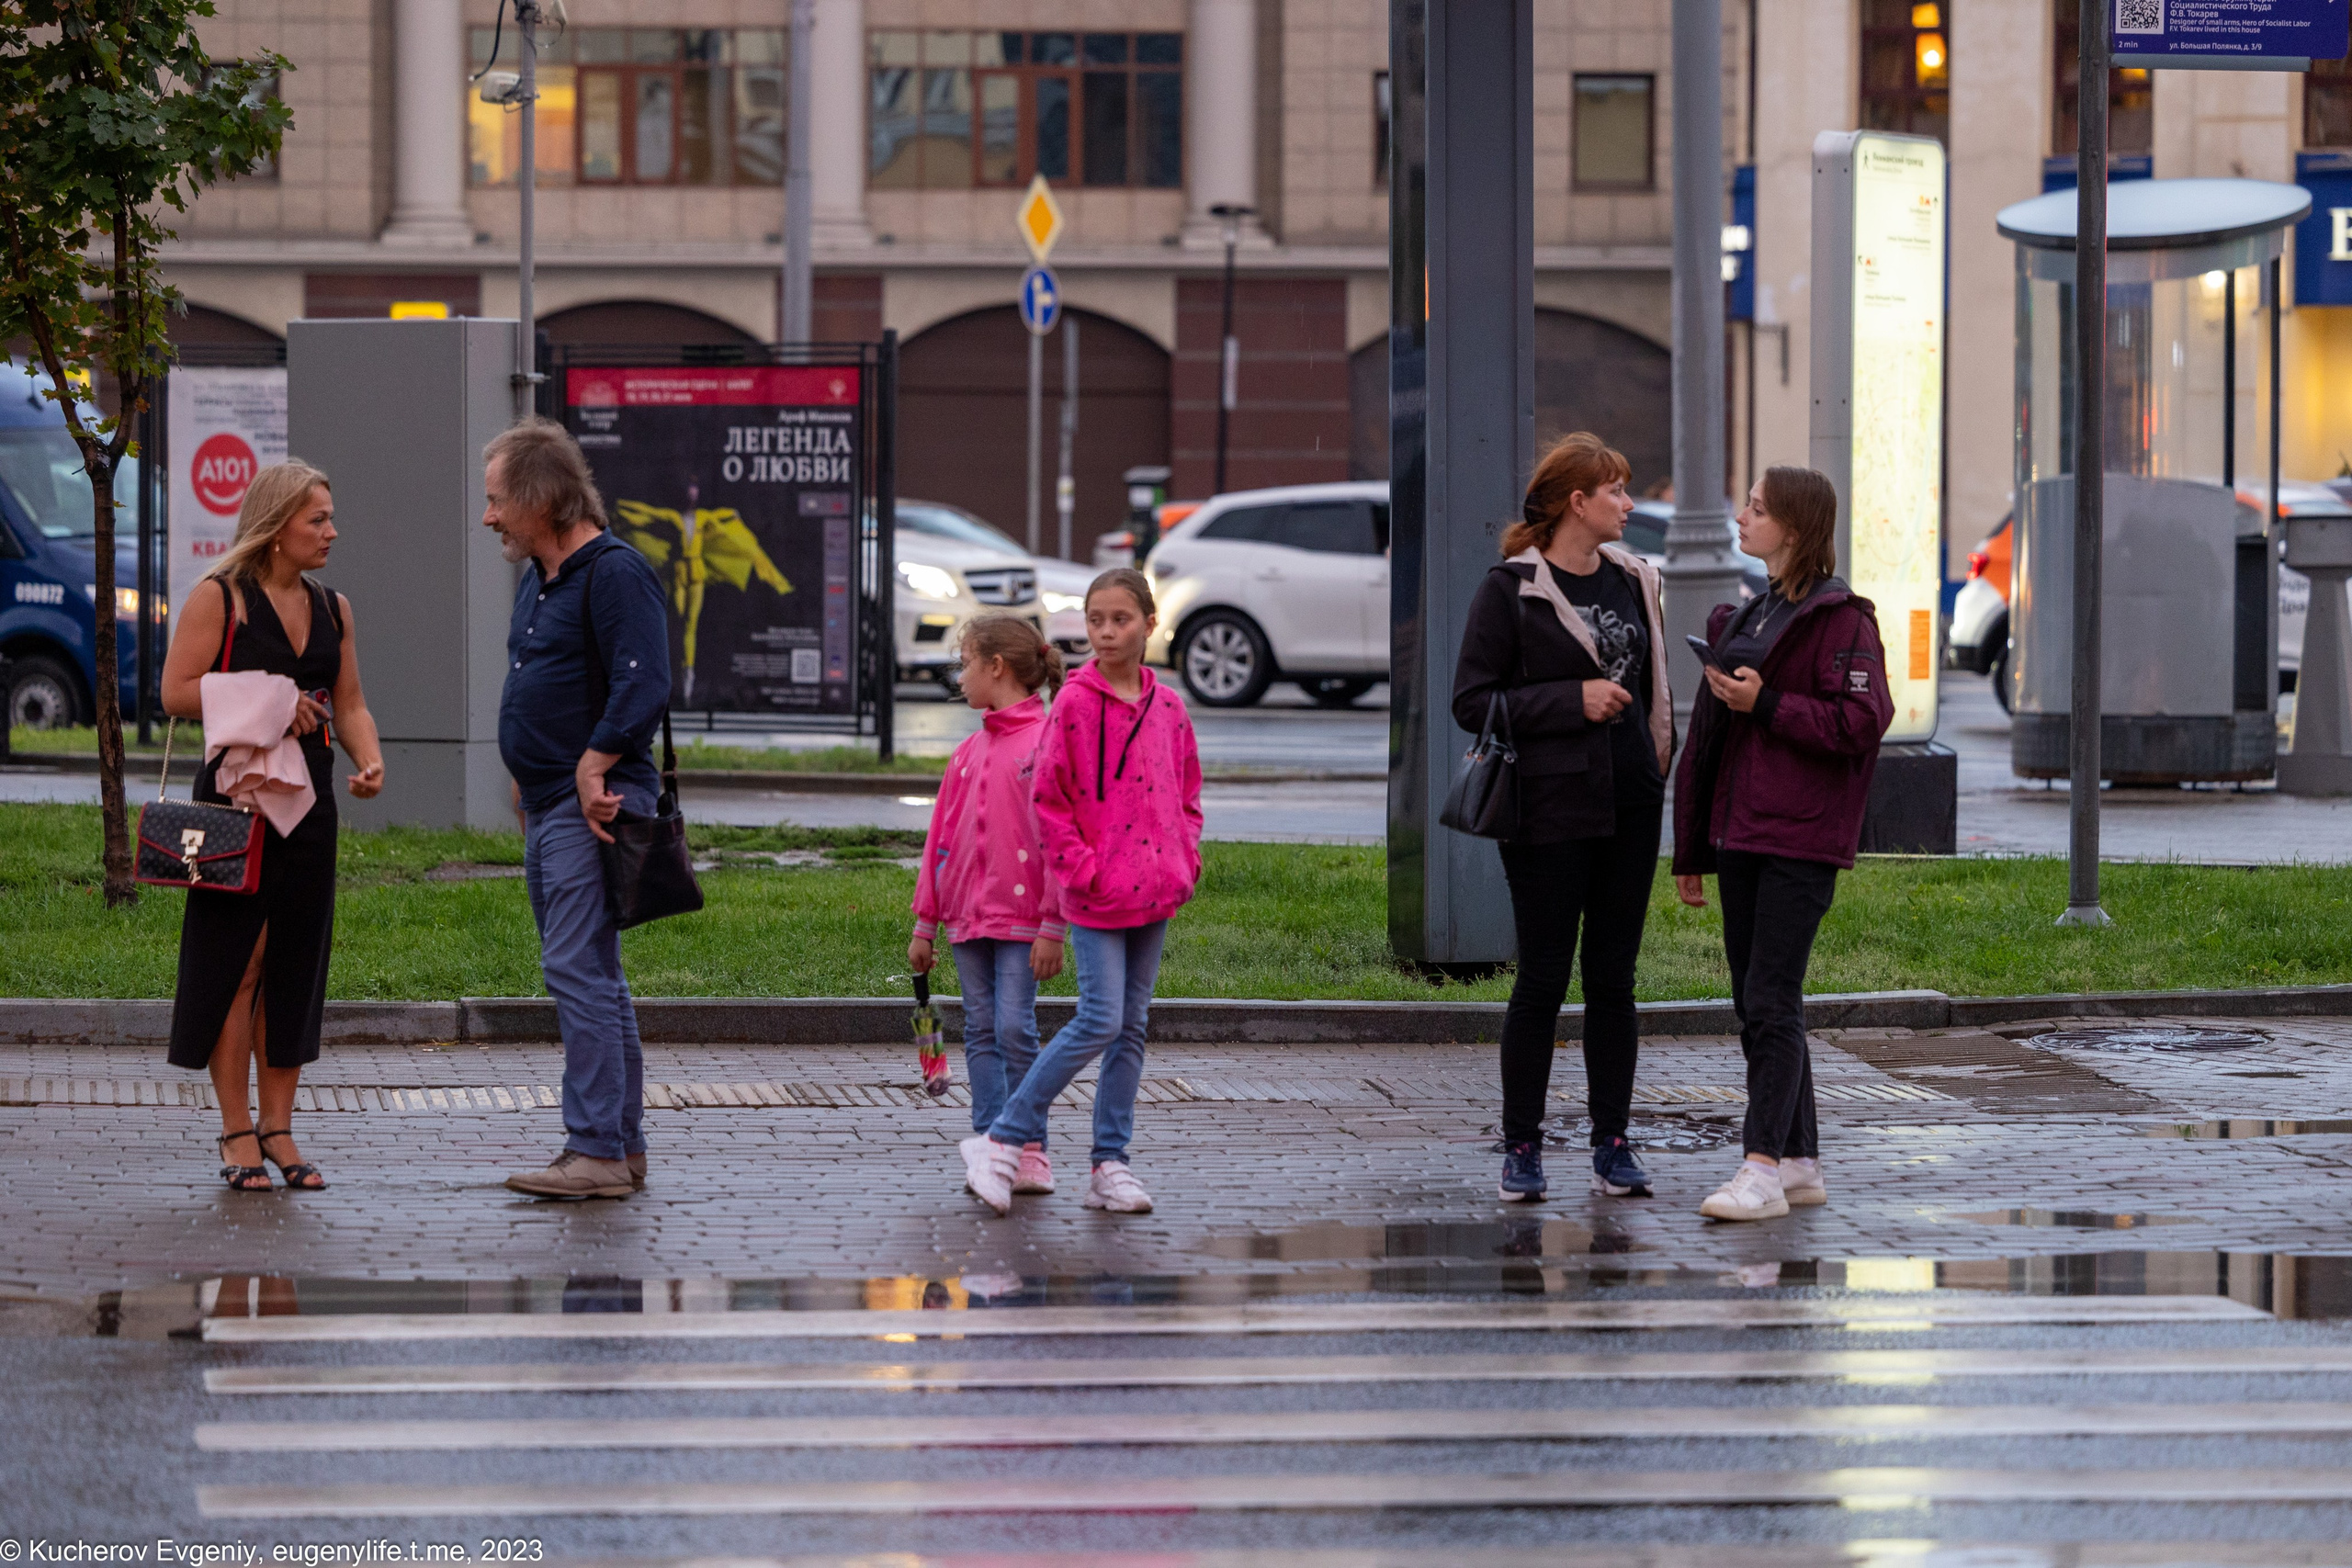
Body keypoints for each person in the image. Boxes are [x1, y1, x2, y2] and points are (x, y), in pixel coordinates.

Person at [1452, 431, 1675, 1204]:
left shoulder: (1634, 578)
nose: (1629, 503)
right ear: (1577, 502)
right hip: (1546, 810)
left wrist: (1658, 763)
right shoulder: (1510, 588)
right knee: (1543, 977)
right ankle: (1522, 1145)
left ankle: (1613, 1142)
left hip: (1630, 803)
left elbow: (1654, 685)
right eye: (1616, 490)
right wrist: (1568, 700)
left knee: (1614, 978)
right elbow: (1472, 701)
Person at [1672, 465, 1893, 1222]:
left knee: (1769, 997)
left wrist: (1765, 702)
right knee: (1759, 998)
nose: (1742, 516)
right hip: (1742, 832)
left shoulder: (1843, 621)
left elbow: (1861, 723)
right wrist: (1692, 847)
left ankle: (1760, 1167)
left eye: (1758, 507)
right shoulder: (1753, 611)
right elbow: (1708, 739)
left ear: (1794, 528)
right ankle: (1798, 1160)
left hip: (1799, 835)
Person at [162, 461, 385, 1191]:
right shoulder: (220, 597)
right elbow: (175, 692)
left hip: (310, 802)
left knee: (295, 963)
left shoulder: (334, 608)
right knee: (239, 962)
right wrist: (274, 702)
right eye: (317, 519)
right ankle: (237, 1130)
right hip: (234, 804)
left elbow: (349, 701)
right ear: (277, 526)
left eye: (330, 517)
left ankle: (279, 1127)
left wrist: (369, 757)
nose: (332, 531)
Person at [957, 568, 1204, 1216]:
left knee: (1131, 1027)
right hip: (1095, 895)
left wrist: (1184, 858)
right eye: (1096, 620)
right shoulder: (1074, 704)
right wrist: (1081, 871)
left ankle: (1109, 1165)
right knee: (1100, 1018)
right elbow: (1049, 799)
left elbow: (1187, 792)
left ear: (1149, 623)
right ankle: (1004, 1138)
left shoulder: (1170, 709)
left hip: (1156, 892)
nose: (1106, 632)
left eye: (1120, 619)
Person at [486, 418, 672, 1201]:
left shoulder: (615, 572)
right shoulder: (540, 577)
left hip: (591, 802)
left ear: (541, 498)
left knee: (576, 968)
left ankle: (595, 1148)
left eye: (497, 499)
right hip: (550, 801)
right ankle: (619, 1147)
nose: (489, 516)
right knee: (595, 970)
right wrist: (526, 777)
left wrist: (593, 760)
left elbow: (644, 681)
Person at [910, 615, 1069, 1195]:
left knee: (1013, 1029)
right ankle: (988, 1144)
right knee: (980, 1029)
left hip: (1025, 919)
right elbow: (939, 841)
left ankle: (1029, 1150)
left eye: (966, 664)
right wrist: (926, 922)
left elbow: (1061, 843)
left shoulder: (1047, 746)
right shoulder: (965, 753)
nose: (960, 677)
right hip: (965, 918)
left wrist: (1054, 923)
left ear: (996, 667)